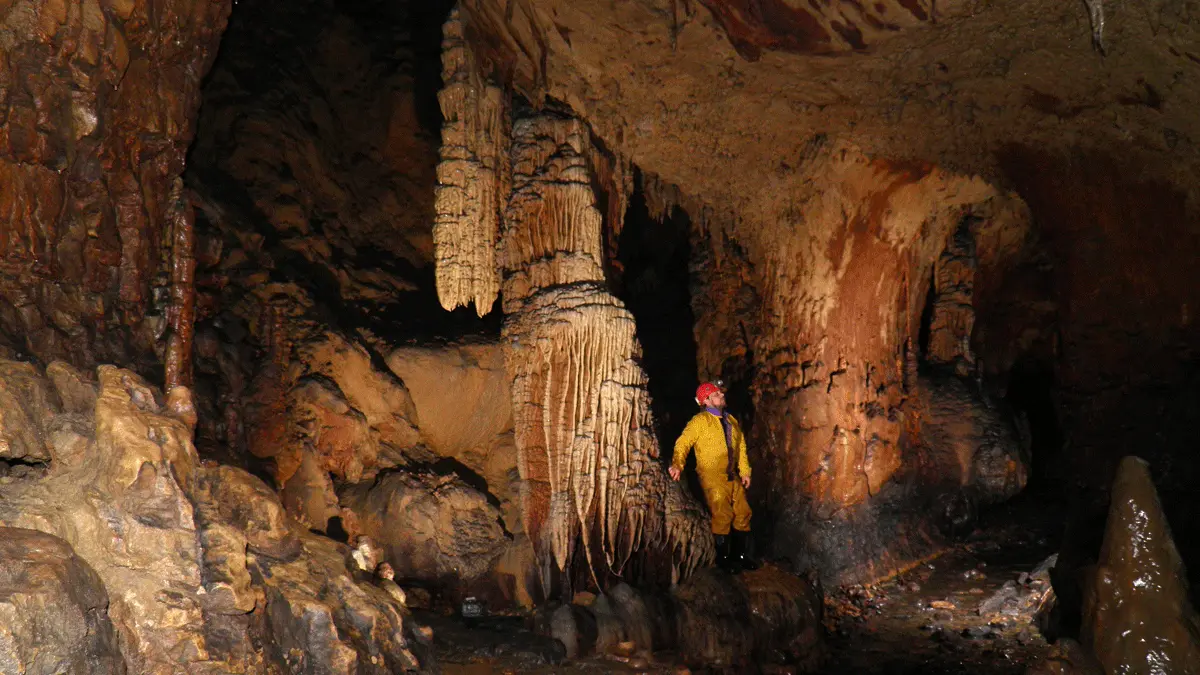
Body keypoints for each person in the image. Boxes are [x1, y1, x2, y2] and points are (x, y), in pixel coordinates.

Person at [670, 381, 759, 573]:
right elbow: (683, 443)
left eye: (720, 393)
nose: (721, 395)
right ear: (707, 400)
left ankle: (740, 556)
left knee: (743, 512)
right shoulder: (700, 421)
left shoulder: (731, 421)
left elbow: (741, 448)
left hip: (731, 474)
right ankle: (723, 559)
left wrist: (745, 471)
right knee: (722, 513)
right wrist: (678, 463)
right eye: (717, 394)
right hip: (711, 475)